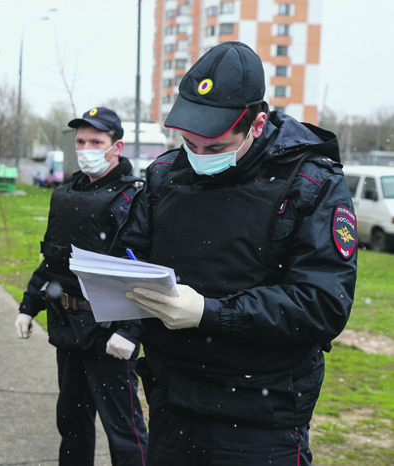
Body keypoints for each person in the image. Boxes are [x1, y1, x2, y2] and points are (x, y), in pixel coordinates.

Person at [111, 41, 357, 465]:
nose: (199, 157)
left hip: (263, 417)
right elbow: (131, 253)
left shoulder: (310, 183)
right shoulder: (166, 174)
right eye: (190, 144)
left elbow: (323, 303)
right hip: (174, 402)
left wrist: (210, 312)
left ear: (258, 124)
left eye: (216, 147)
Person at [16, 107, 147, 466]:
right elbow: (53, 259)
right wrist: (29, 305)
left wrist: (131, 331)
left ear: (116, 146)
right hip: (67, 327)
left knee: (123, 428)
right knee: (71, 423)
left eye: (96, 141)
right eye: (81, 141)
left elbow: (144, 272)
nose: (86, 148)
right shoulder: (66, 193)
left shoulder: (131, 198)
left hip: (110, 335)